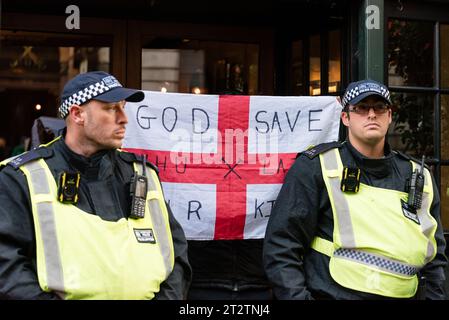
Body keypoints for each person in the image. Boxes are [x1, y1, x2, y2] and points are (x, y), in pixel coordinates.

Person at [0, 71, 191, 299]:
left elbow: (176, 256)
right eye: (111, 108)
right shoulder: (23, 176)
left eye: (122, 106)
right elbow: (7, 266)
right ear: (78, 114)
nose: (124, 118)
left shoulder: (142, 173)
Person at [263, 79, 447, 300]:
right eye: (361, 108)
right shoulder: (316, 166)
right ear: (345, 118)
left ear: (389, 116)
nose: (371, 114)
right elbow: (281, 247)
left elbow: (435, 259)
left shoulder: (419, 176)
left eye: (379, 108)